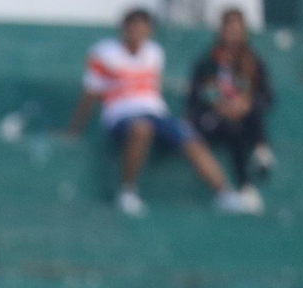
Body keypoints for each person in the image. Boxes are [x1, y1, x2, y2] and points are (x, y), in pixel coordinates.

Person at [68, 8, 254, 217]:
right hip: (120, 117)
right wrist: (75, 130)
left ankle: (225, 193)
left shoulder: (155, 53)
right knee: (141, 129)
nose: (138, 32)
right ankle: (127, 192)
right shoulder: (103, 53)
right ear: (124, 29)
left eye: (143, 27)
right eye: (134, 27)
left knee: (188, 134)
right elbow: (90, 95)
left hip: (156, 115)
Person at [189, 9, 275, 201]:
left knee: (251, 114)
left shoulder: (253, 62)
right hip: (213, 117)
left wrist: (244, 104)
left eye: (238, 30)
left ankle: (261, 152)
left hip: (243, 116)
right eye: (229, 29)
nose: (233, 35)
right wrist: (220, 106)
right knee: (233, 129)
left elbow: (266, 96)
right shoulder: (208, 62)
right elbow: (198, 96)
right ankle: (241, 186)